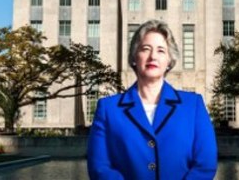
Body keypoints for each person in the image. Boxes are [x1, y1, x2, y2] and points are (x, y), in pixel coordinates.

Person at [87, 20, 217, 180]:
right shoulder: (108, 109)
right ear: (134, 57)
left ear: (169, 61)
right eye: (145, 49)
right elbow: (99, 167)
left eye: (161, 50)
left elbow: (205, 165)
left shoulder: (193, 106)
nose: (153, 56)